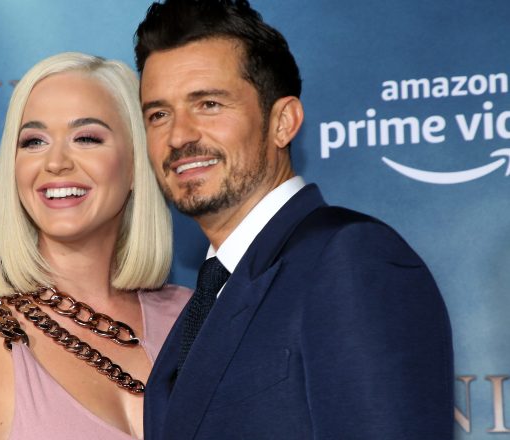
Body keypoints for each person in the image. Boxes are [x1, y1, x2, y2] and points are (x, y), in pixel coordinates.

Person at [134, 1, 454, 439]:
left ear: (283, 122)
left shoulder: (352, 260)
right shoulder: (209, 296)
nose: (178, 135)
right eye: (158, 114)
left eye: (208, 104)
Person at [0, 52, 190, 439]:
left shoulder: (196, 318)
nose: (55, 162)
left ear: (137, 162)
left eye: (86, 138)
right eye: (34, 141)